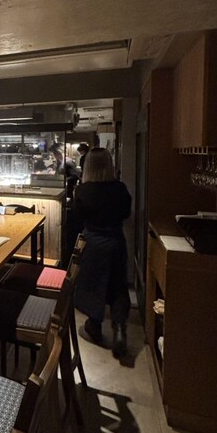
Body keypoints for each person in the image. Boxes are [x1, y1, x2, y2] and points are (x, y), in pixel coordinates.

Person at [73, 147, 132, 358]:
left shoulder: (83, 190)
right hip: (116, 241)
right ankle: (119, 330)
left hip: (94, 243)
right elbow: (126, 213)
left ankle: (95, 325)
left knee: (92, 285)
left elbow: (77, 218)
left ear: (87, 166)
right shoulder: (120, 188)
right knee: (118, 286)